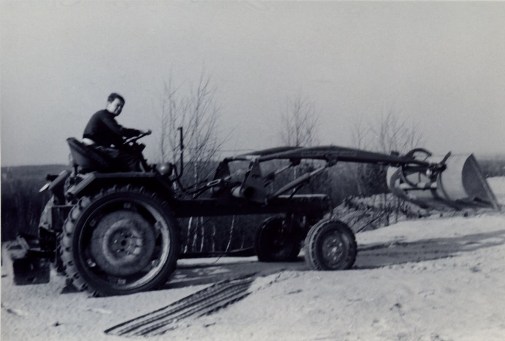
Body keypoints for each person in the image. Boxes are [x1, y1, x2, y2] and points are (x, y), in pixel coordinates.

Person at [82, 93, 145, 171]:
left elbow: (117, 138)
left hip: (94, 149)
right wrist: (138, 132)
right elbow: (120, 131)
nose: (119, 108)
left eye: (121, 107)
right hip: (94, 148)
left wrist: (126, 145)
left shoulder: (107, 119)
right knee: (132, 160)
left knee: (122, 157)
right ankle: (138, 182)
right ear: (109, 103)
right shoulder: (104, 115)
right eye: (117, 105)